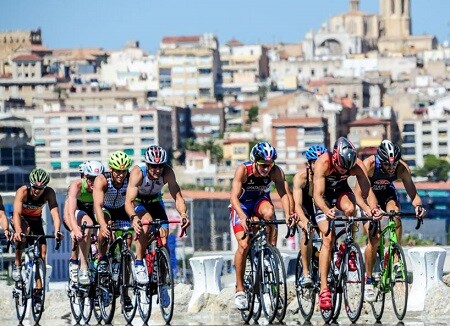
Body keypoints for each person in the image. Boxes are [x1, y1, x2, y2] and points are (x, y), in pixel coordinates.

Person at [313, 137, 380, 310]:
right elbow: (317, 196)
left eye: (347, 168)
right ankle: (324, 289)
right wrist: (327, 210)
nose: (343, 170)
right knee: (327, 239)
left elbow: (366, 190)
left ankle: (347, 245)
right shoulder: (323, 163)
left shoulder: (355, 165)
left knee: (351, 210)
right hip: (323, 198)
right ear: (335, 157)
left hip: (341, 191)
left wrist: (371, 209)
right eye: (341, 166)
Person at [356, 139, 427, 302]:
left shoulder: (401, 168)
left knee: (395, 212)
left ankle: (395, 255)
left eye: (393, 165)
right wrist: (372, 210)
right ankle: (368, 280)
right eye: (387, 165)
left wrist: (418, 207)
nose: (390, 168)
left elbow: (413, 194)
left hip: (387, 193)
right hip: (368, 195)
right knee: (374, 239)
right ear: (380, 160)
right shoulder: (369, 165)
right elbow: (360, 195)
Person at [230, 141, 294, 310]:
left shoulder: (275, 171)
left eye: (269, 165)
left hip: (259, 201)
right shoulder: (243, 170)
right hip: (242, 205)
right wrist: (243, 217)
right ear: (254, 161)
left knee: (270, 213)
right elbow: (234, 198)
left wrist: (288, 214)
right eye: (263, 165)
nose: (266, 169)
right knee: (243, 245)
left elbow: (284, 194)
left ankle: (270, 252)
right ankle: (239, 288)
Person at [126, 145, 190, 289]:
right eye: (153, 167)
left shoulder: (167, 172)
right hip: (138, 203)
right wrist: (134, 218)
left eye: (160, 166)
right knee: (146, 222)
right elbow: (128, 201)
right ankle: (139, 262)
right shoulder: (138, 172)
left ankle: (161, 281)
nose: (157, 170)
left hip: (155, 202)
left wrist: (184, 214)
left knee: (164, 241)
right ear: (147, 164)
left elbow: (178, 197)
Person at [11, 168, 63, 310]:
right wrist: (17, 231)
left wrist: (57, 230)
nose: (36, 191)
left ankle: (38, 293)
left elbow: (55, 214)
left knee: (42, 255)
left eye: (40, 188)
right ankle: (17, 264)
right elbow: (16, 212)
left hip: (36, 220)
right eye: (34, 187)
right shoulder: (23, 191)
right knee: (24, 231)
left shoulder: (49, 193)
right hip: (21, 219)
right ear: (30, 185)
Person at [93, 151, 134, 310]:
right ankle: (102, 258)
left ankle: (125, 293)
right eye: (117, 171)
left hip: (123, 209)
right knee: (105, 227)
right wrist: (103, 226)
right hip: (106, 209)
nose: (120, 175)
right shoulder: (102, 180)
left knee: (127, 244)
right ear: (111, 169)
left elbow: (133, 200)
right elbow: (97, 205)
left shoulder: (130, 179)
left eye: (123, 171)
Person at [292, 145, 327, 287]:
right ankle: (306, 273)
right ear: (309, 164)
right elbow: (297, 205)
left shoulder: (327, 175)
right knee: (307, 232)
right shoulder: (301, 178)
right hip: (305, 209)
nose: (318, 165)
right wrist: (305, 221)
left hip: (319, 209)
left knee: (328, 236)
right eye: (315, 162)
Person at [64, 160, 104, 285]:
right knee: (86, 226)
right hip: (77, 213)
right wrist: (73, 229)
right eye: (90, 179)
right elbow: (69, 211)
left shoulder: (103, 186)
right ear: (85, 177)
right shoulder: (76, 186)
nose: (94, 182)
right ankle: (78, 263)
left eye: (96, 179)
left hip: (93, 211)